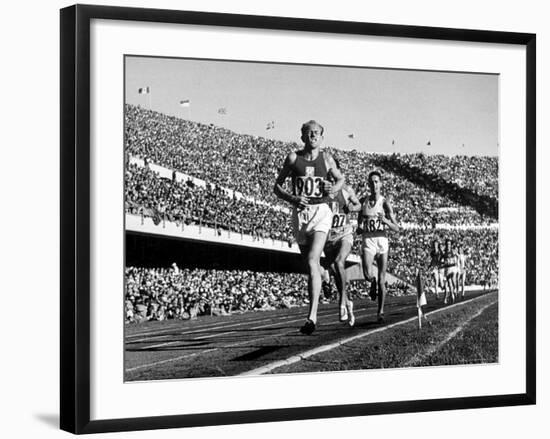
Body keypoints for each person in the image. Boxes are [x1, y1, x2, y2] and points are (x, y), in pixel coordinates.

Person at [274, 120, 344, 335]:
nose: (313, 136)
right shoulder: (294, 158)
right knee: (309, 264)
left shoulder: (327, 158)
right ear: (302, 137)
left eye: (317, 133)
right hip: (300, 215)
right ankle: (324, 273)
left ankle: (312, 316)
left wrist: (332, 187)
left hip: (321, 212)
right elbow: (276, 187)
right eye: (309, 133)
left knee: (313, 260)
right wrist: (293, 198)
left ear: (322, 138)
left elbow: (341, 180)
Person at [323, 159, 362, 327]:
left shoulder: (346, 190)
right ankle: (347, 302)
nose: (330, 176)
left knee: (340, 262)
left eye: (333, 172)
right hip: (328, 238)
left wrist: (351, 208)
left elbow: (359, 205)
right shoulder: (321, 190)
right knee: (335, 272)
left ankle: (341, 303)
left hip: (345, 234)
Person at [357, 170, 400, 323]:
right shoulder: (363, 201)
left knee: (382, 280)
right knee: (367, 273)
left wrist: (386, 221)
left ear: (380, 184)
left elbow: (396, 228)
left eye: (376, 181)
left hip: (382, 240)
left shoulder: (385, 203)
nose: (374, 184)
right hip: (368, 240)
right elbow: (359, 224)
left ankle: (380, 311)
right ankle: (371, 281)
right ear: (368, 184)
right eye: (371, 182)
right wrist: (360, 228)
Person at [441, 239, 458, 304]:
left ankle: (455, 290)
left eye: (449, 244)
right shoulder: (444, 252)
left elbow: (457, 257)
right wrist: (443, 262)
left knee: (453, 280)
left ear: (451, 245)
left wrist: (455, 261)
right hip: (447, 268)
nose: (448, 245)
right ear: (446, 245)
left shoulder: (453, 251)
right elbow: (441, 260)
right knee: (450, 283)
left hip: (453, 268)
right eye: (447, 244)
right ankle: (452, 294)